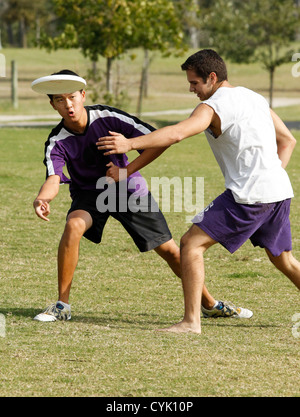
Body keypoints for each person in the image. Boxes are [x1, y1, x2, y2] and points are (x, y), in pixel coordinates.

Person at [97, 49, 300, 334]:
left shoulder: (213, 106)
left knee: (191, 244)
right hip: (278, 191)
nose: (191, 88)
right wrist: (270, 176)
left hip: (249, 196)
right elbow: (288, 140)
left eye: (194, 82)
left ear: (212, 77)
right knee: (284, 259)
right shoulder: (255, 98)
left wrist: (129, 144)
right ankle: (192, 319)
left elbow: (178, 133)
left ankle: (191, 322)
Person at [32, 69, 252, 322]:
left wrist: (126, 171)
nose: (68, 105)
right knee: (73, 225)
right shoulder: (57, 140)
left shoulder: (108, 117)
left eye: (71, 97)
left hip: (128, 191)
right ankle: (62, 305)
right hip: (90, 196)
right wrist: (43, 199)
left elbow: (158, 140)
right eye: (59, 100)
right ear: (52, 104)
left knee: (171, 252)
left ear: (83, 95)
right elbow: (53, 178)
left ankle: (211, 304)